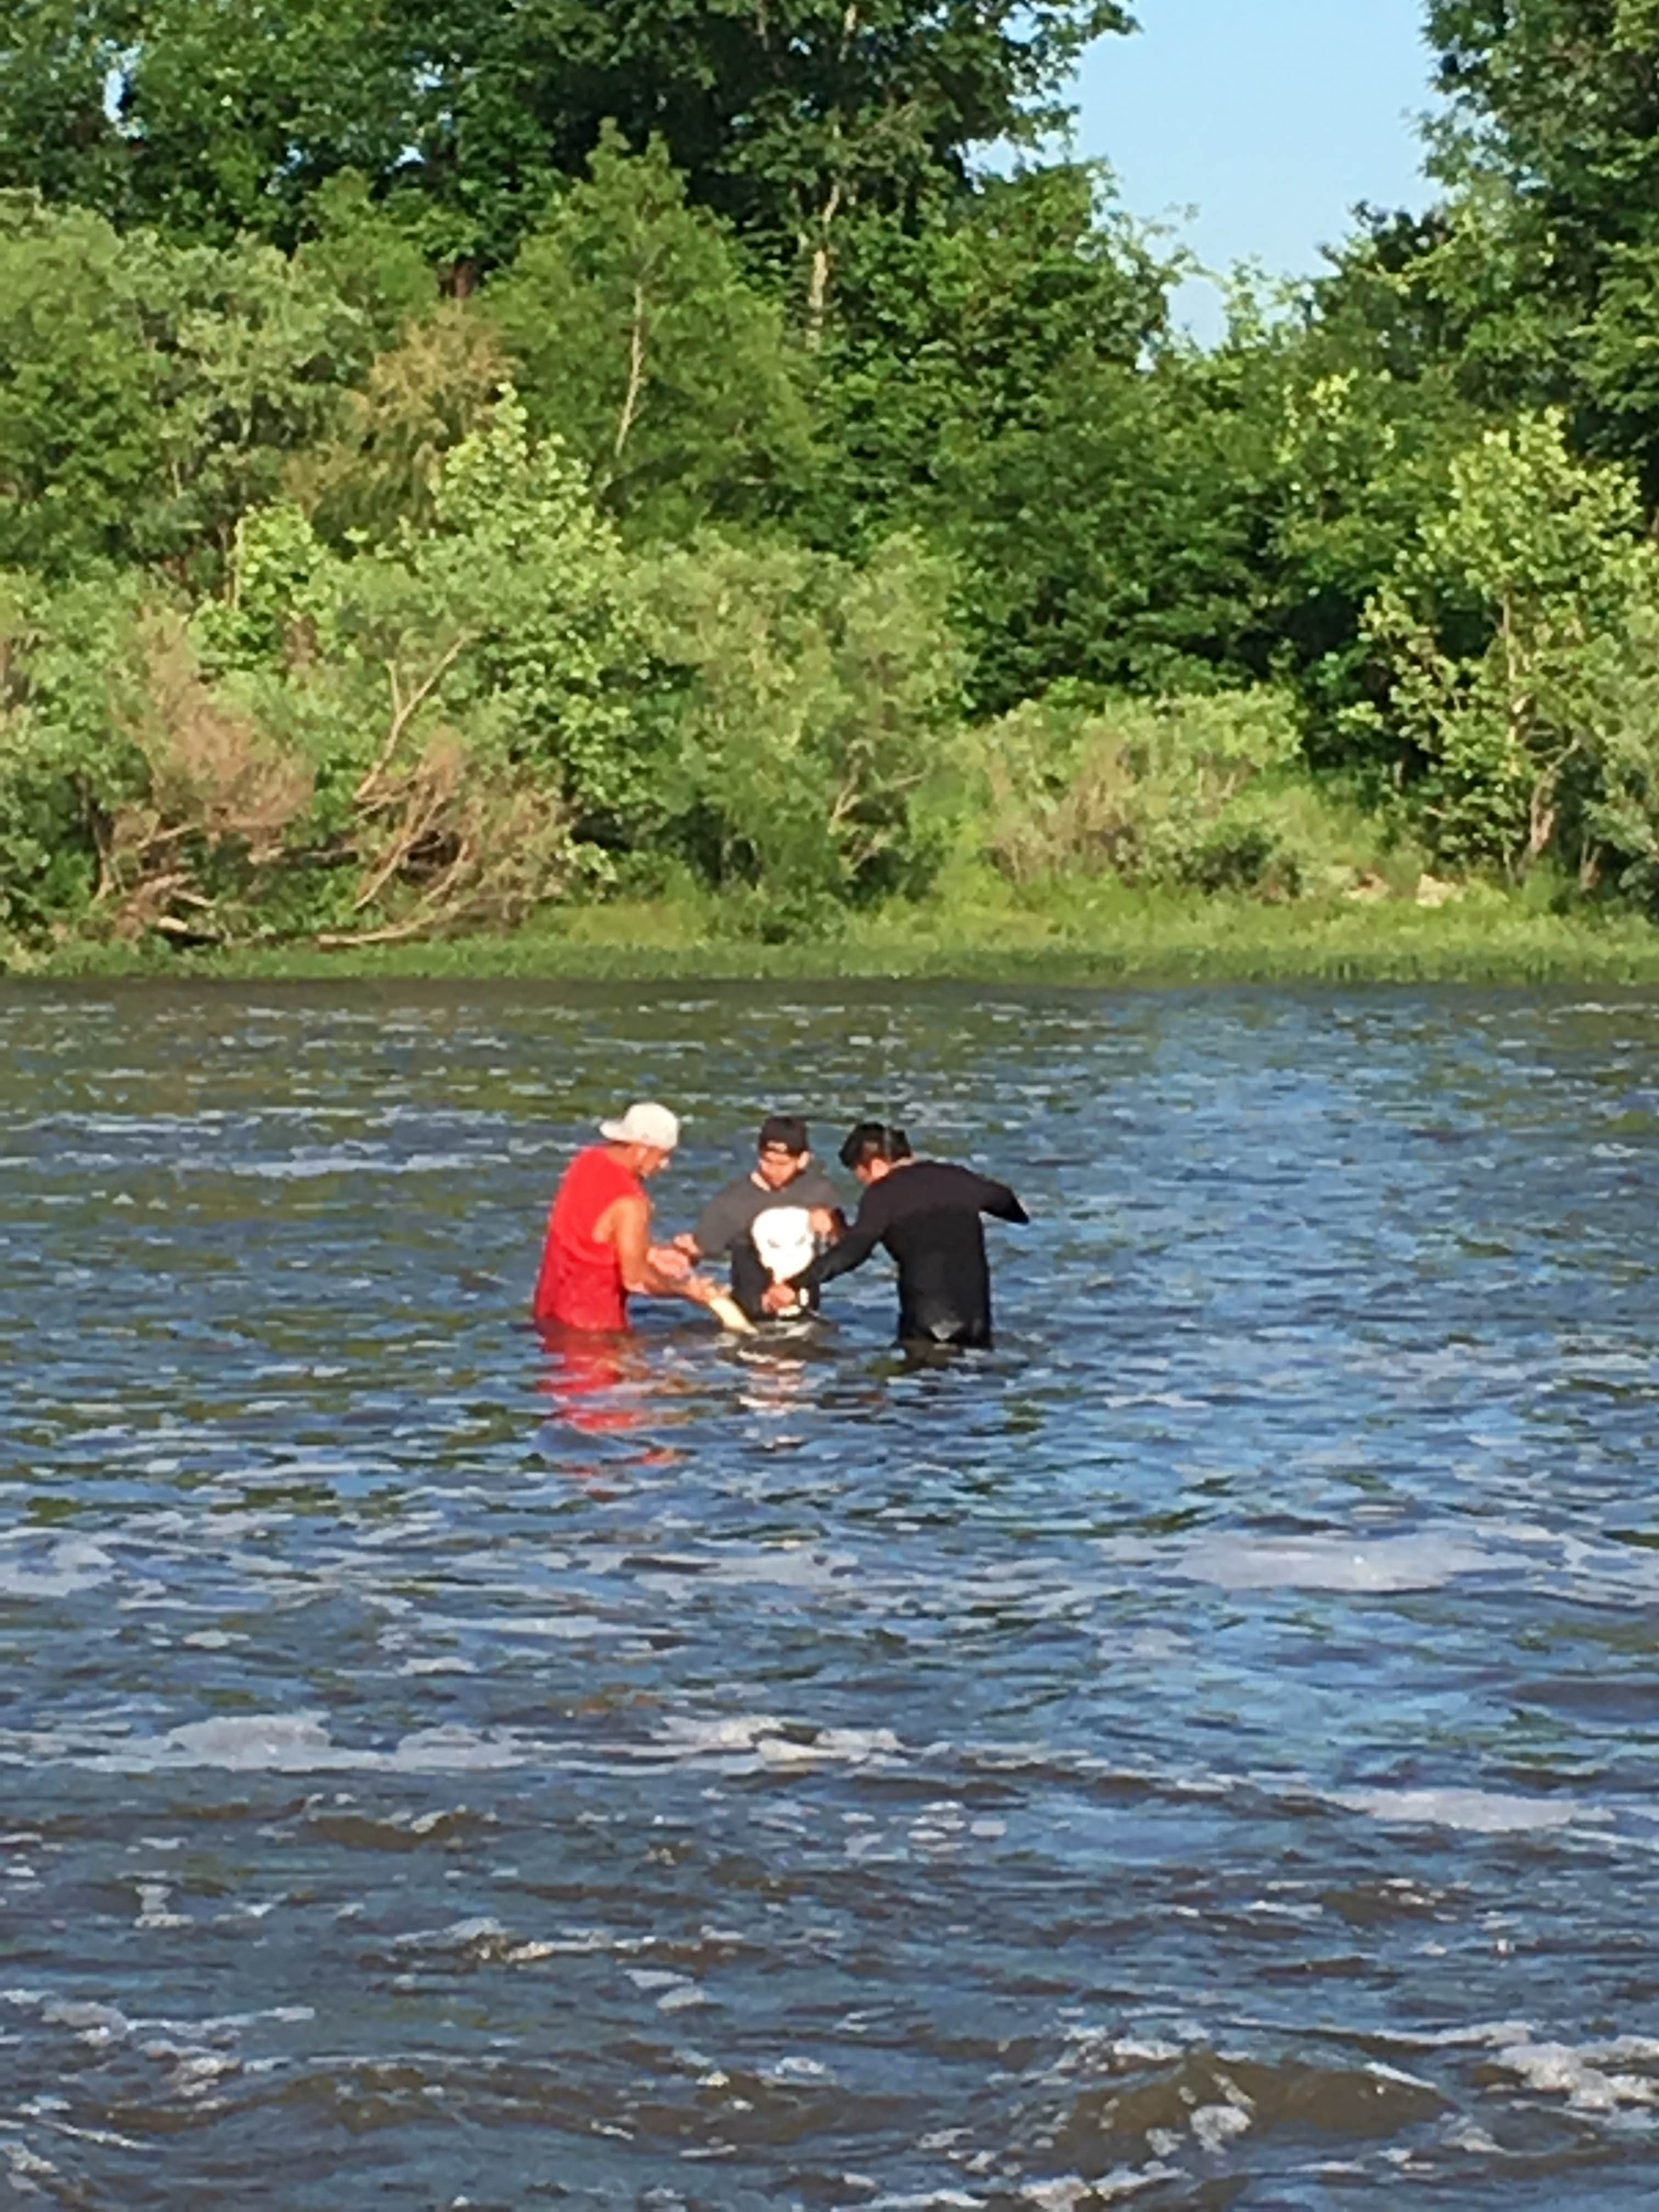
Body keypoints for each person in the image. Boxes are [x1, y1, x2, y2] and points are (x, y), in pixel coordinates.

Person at [770, 1121, 1027, 1348]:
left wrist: (797, 1283)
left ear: (878, 1165)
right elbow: (1004, 1200)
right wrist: (1018, 1214)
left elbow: (853, 1252)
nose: (866, 1185)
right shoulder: (957, 1177)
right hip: (977, 1326)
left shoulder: (882, 1194)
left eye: (863, 1177)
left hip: (927, 1328)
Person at [532, 1102, 718, 1333]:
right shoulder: (632, 1203)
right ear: (642, 1148)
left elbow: (593, 1234)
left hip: (549, 1312)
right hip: (595, 1328)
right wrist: (687, 1289)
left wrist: (651, 1253)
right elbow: (636, 1279)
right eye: (663, 1156)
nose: (665, 1165)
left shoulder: (586, 1161)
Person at [678, 1113, 846, 1323]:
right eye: (767, 1161)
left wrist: (832, 1226)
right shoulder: (733, 1201)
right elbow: (700, 1249)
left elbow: (844, 1248)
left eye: (782, 1164)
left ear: (803, 1160)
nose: (773, 1171)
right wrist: (682, 1254)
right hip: (751, 1319)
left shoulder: (820, 1192)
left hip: (805, 1314)